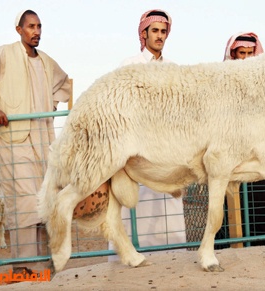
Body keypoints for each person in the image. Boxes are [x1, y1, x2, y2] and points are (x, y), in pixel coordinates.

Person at [0, 9, 71, 276]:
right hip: (14, 141)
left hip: (44, 143)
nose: (37, 32)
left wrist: (50, 108)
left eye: (39, 26)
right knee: (23, 203)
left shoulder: (45, 61)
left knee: (46, 201)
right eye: (31, 26)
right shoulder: (4, 53)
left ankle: (45, 267)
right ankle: (24, 268)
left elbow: (64, 85)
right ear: (19, 30)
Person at [104, 9, 186, 261]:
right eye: (155, 31)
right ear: (144, 33)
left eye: (163, 31)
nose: (159, 36)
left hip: (167, 152)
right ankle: (127, 258)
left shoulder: (174, 69)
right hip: (135, 151)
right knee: (132, 205)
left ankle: (172, 257)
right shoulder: (130, 66)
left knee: (168, 206)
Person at [219, 32, 265, 247]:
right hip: (231, 156)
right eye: (241, 53)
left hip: (257, 155)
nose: (246, 58)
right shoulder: (223, 83)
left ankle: (262, 247)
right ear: (234, 55)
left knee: (258, 202)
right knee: (228, 206)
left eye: (250, 53)